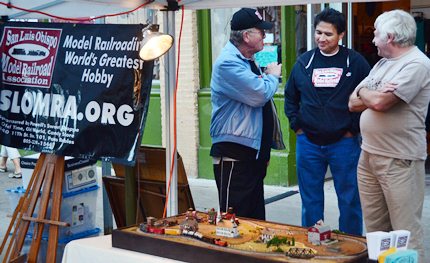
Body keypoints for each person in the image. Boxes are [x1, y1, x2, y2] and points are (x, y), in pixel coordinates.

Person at [348, 9, 430, 260]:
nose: (373, 39)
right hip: (369, 155)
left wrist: (368, 94)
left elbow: (382, 103)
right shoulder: (383, 64)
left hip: (399, 159)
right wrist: (369, 94)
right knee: (376, 232)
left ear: (390, 37)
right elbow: (352, 102)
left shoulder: (418, 64)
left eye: (376, 34)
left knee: (405, 232)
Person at [284, 8, 370, 235]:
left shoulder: (356, 62)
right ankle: (314, 246)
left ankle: (352, 246)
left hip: (344, 143)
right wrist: (298, 127)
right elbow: (291, 97)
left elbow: (367, 98)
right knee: (310, 199)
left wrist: (352, 130)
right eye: (318, 32)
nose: (321, 38)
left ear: (341, 35)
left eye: (328, 34)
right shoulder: (304, 62)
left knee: (350, 198)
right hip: (308, 143)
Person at [210, 8, 284, 220]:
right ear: (246, 36)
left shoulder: (247, 60)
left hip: (251, 154)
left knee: (255, 220)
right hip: (235, 155)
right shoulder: (228, 63)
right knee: (235, 221)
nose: (264, 35)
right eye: (261, 31)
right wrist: (272, 76)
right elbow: (259, 95)